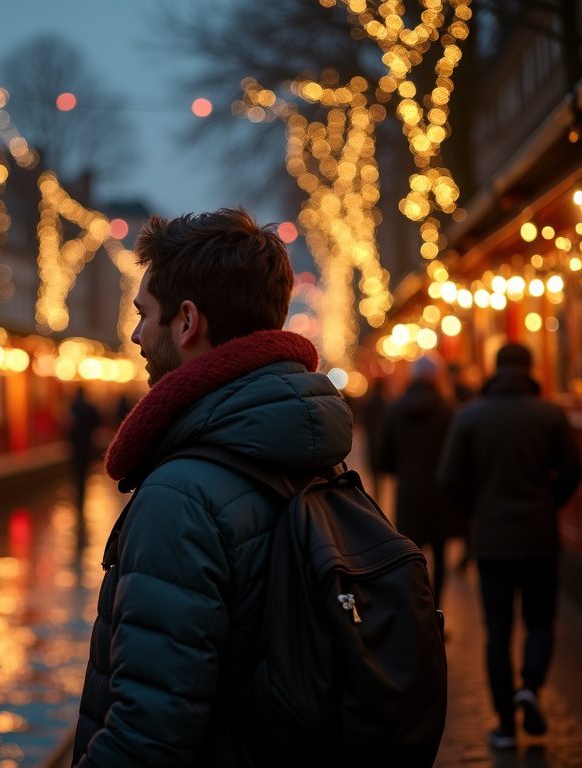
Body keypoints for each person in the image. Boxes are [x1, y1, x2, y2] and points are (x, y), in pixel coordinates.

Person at [72, 209, 352, 767]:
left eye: (144, 314)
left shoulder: (180, 495)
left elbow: (148, 733)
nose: (135, 335)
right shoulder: (320, 458)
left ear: (187, 322)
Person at [438, 342, 582, 751]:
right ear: (530, 368)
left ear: (495, 369)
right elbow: (574, 469)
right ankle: (531, 687)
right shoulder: (550, 415)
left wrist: (477, 511)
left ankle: (504, 725)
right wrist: (548, 503)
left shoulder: (470, 418)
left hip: (492, 541)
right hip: (539, 537)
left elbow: (448, 478)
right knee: (539, 620)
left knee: (497, 631)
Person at [379, 354, 461, 608]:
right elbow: (457, 457)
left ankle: (417, 615)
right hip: (441, 495)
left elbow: (384, 459)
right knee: (440, 557)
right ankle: (437, 612)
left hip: (409, 495)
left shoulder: (395, 409)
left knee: (412, 560)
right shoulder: (448, 411)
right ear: (436, 377)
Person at [67, 386, 100, 508]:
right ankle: (82, 490)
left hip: (75, 443)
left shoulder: (73, 406)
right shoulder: (89, 406)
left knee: (76, 468)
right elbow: (96, 421)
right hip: (86, 442)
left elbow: (68, 424)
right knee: (85, 468)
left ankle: (78, 491)